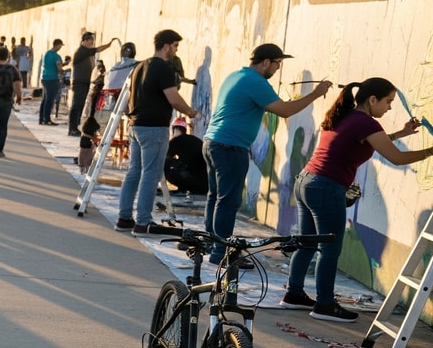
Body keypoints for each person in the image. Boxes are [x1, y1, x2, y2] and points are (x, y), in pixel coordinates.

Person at [282, 78, 433, 321]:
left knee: (308, 243)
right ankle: (324, 305)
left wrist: (402, 133)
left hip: (306, 182)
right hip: (325, 187)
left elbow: (368, 143)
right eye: (388, 102)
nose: (390, 108)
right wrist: (429, 151)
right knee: (329, 249)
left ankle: (294, 294)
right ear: (372, 100)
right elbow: (397, 158)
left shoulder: (346, 115)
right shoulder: (366, 123)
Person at [201, 43, 332, 263]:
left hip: (213, 142)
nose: (277, 69)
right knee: (227, 202)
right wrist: (317, 94)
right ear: (265, 62)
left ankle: (209, 243)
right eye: (277, 64)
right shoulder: (256, 82)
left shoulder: (237, 75)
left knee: (215, 198)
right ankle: (220, 253)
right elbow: (284, 111)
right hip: (230, 147)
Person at [116, 30, 201, 237]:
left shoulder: (139, 66)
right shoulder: (163, 68)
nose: (175, 51)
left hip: (135, 126)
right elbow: (173, 98)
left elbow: (127, 100)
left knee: (135, 171)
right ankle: (143, 222)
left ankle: (124, 218)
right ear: (166, 46)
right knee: (150, 174)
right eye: (175, 46)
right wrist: (190, 112)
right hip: (154, 128)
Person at [69, 31, 117, 136]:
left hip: (84, 82)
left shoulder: (85, 51)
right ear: (85, 41)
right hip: (79, 82)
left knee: (80, 105)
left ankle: (76, 127)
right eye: (91, 41)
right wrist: (109, 44)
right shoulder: (82, 51)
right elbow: (97, 50)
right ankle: (72, 128)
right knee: (76, 105)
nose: (92, 43)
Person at [164, 121, 208, 195]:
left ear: (175, 129)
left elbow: (166, 157)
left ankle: (182, 189)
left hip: (191, 181)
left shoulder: (175, 141)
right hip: (205, 184)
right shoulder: (194, 139)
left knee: (164, 163)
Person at [38, 39, 66, 125]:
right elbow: (59, 68)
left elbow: (51, 65)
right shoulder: (57, 56)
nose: (60, 48)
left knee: (45, 99)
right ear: (57, 45)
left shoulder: (46, 54)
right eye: (60, 46)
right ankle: (47, 119)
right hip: (52, 78)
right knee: (50, 100)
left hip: (45, 77)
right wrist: (64, 71)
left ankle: (41, 118)